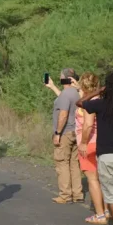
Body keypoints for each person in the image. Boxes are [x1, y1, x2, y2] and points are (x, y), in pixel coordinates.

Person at [78, 71, 113, 225]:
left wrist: (97, 91)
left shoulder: (98, 103)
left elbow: (82, 108)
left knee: (104, 189)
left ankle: (105, 218)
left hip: (101, 149)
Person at [74, 73, 108, 224]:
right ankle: (107, 210)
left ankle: (99, 214)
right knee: (103, 179)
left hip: (89, 143)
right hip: (99, 142)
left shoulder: (89, 103)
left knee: (92, 179)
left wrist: (83, 142)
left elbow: (88, 124)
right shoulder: (99, 99)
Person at [46, 69, 83, 204]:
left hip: (65, 133)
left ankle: (65, 195)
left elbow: (63, 114)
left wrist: (57, 133)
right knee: (74, 163)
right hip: (75, 132)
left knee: (62, 162)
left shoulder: (66, 94)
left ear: (67, 79)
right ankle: (77, 193)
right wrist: (52, 86)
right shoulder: (76, 93)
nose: (60, 78)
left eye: (61, 77)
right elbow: (64, 99)